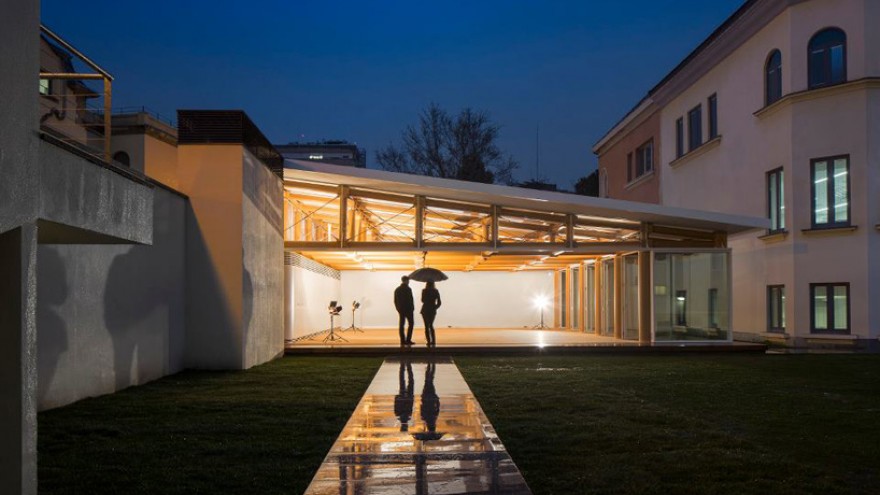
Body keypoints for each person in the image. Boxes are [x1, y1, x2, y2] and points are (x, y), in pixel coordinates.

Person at [394, 275, 414, 346]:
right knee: (411, 324)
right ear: (406, 281)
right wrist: (412, 308)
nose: (409, 282)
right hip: (409, 309)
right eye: (408, 281)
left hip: (401, 309)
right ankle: (408, 339)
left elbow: (395, 301)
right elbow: (410, 300)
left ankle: (402, 340)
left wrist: (398, 308)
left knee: (401, 325)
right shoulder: (408, 289)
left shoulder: (397, 289)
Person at [420, 280, 441, 347]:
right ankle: (433, 340)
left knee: (426, 326)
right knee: (431, 325)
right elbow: (439, 302)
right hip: (432, 309)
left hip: (425, 309)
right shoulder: (435, 291)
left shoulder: (424, 290)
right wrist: (435, 307)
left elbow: (422, 300)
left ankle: (428, 341)